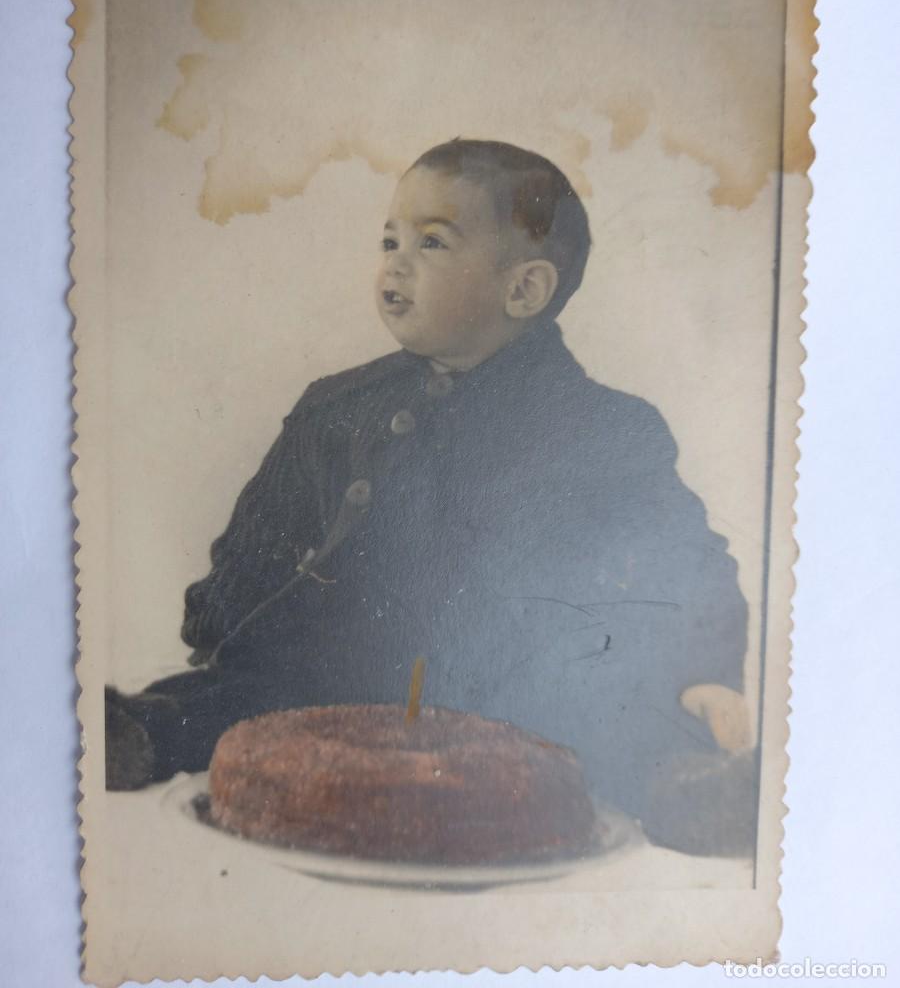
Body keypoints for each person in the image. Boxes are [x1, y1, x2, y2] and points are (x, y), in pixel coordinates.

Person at [106, 138, 755, 854]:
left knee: (612, 721)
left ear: (524, 290)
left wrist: (702, 673)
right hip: (333, 680)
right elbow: (258, 544)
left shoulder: (605, 428)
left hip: (520, 691)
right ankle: (132, 734)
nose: (396, 262)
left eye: (432, 243)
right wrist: (223, 618)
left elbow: (686, 561)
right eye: (390, 240)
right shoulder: (336, 409)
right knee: (239, 700)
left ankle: (690, 794)